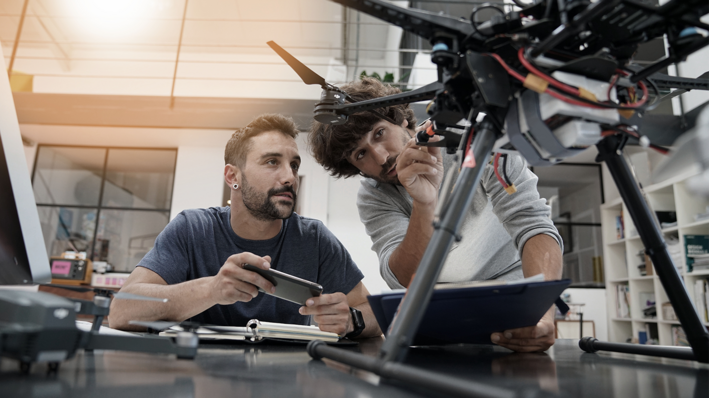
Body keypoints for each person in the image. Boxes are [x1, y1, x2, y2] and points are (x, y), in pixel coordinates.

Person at [309, 78, 563, 351]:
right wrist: (424, 202)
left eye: (379, 133)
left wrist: (542, 313)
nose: (381, 157)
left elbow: (534, 225)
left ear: (402, 120)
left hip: (513, 296)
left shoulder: (476, 140)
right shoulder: (374, 195)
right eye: (361, 154)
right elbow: (402, 278)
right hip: (441, 307)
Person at [109, 113, 381, 339]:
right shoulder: (192, 229)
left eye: (294, 165)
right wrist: (211, 289)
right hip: (200, 377)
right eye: (272, 162)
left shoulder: (314, 238)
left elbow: (374, 316)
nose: (290, 177)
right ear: (233, 176)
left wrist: (351, 320)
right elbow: (121, 312)